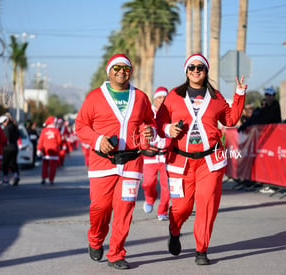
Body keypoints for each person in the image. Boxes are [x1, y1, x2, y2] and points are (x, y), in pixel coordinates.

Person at [156, 54, 247, 265]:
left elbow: (231, 119)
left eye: (200, 68)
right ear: (186, 71)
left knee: (206, 206)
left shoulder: (216, 97)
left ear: (206, 71)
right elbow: (159, 120)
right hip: (181, 162)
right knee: (181, 208)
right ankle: (174, 229)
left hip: (210, 162)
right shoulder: (173, 96)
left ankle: (201, 250)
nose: (196, 70)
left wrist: (240, 94)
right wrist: (168, 129)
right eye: (191, 67)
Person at [75, 53, 156, 270]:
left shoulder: (140, 97)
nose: (122, 72)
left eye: (126, 69)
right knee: (100, 208)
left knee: (124, 209)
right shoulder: (94, 97)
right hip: (103, 163)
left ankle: (116, 253)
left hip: (131, 162)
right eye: (117, 68)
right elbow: (81, 125)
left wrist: (150, 131)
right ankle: (95, 238)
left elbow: (150, 122)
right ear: (109, 71)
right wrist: (98, 139)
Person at [142, 86, 171, 221]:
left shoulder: (171, 113)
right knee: (148, 183)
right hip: (150, 155)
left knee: (167, 186)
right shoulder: (148, 113)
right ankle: (150, 198)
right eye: (159, 97)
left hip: (166, 156)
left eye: (165, 97)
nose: (162, 100)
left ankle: (162, 211)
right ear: (154, 99)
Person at [37, 116, 62, 185]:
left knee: (45, 165)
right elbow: (59, 141)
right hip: (54, 151)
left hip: (46, 150)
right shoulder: (56, 130)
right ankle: (51, 179)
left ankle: (44, 178)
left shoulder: (44, 130)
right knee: (53, 166)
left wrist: (39, 149)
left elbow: (40, 141)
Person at [0, 113, 20, 186]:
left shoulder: (7, 128)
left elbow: (6, 138)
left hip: (7, 148)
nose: (3, 124)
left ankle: (5, 179)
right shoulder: (14, 126)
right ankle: (16, 176)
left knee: (5, 164)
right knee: (13, 163)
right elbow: (17, 136)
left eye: (3, 122)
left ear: (7, 120)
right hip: (14, 147)